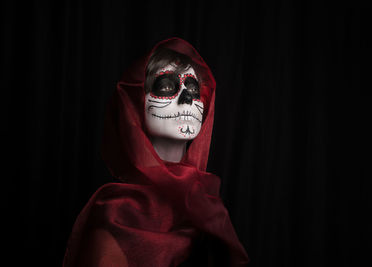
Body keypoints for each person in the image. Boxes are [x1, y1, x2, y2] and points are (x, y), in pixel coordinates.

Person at [63, 37, 249, 267]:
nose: (188, 99)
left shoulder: (208, 206)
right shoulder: (118, 216)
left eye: (194, 88)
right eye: (166, 87)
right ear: (134, 105)